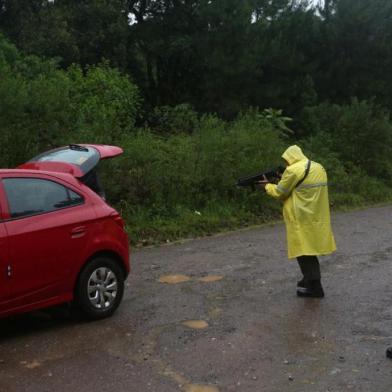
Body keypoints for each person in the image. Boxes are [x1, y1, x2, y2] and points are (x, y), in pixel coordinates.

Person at [259, 145, 336, 298]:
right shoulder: (318, 167)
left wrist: (266, 186)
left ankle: (315, 286)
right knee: (309, 250)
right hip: (316, 216)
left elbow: (280, 193)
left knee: (303, 251)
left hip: (300, 218)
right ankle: (309, 280)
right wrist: (284, 179)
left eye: (286, 160)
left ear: (291, 157)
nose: (287, 164)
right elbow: (302, 187)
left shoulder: (293, 170)